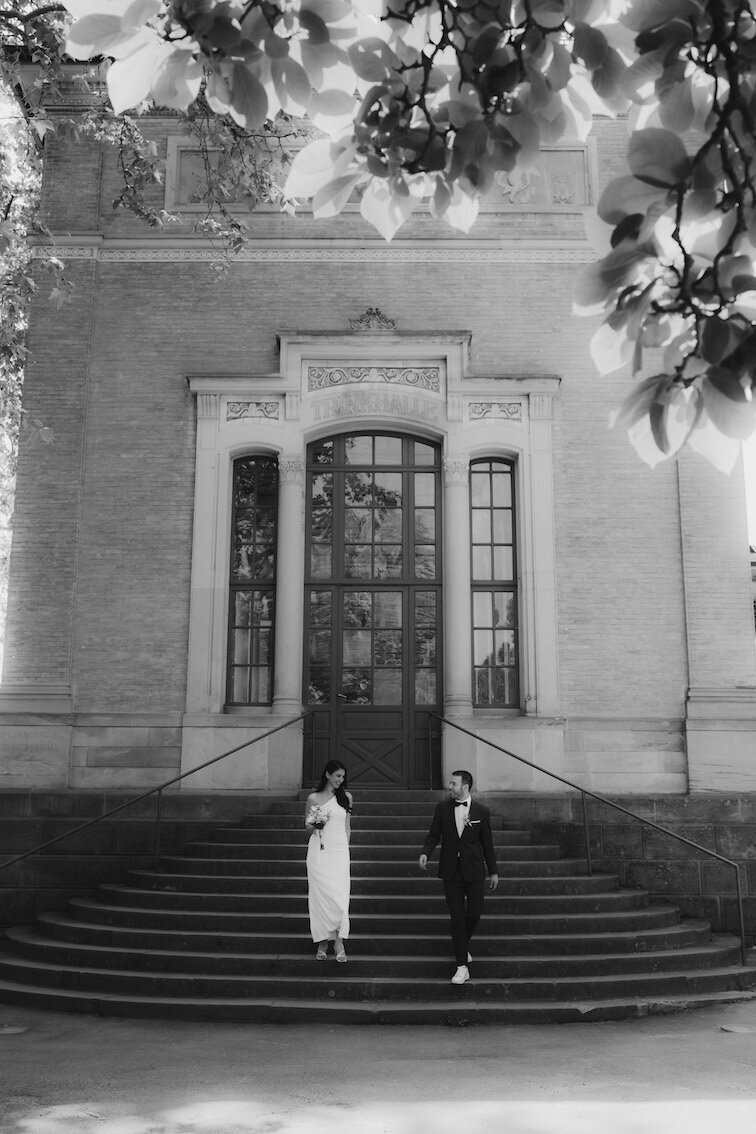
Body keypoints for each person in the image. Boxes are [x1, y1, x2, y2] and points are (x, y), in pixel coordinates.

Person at [418, 769, 498, 985]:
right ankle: (462, 966)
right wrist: (426, 851)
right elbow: (434, 834)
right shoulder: (442, 808)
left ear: (465, 786)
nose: (450, 787)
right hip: (451, 871)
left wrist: (493, 871)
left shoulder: (481, 811)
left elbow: (487, 843)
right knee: (456, 916)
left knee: (474, 913)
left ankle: (461, 945)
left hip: (474, 871)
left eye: (453, 784)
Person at [304, 759, 352, 961]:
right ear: (327, 775)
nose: (341, 780)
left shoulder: (346, 797)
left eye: (343, 776)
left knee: (339, 897)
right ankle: (323, 941)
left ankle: (339, 940)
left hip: (339, 852)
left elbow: (348, 826)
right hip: (319, 851)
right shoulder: (313, 798)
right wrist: (317, 822)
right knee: (321, 897)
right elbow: (306, 826)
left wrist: (345, 848)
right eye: (337, 776)